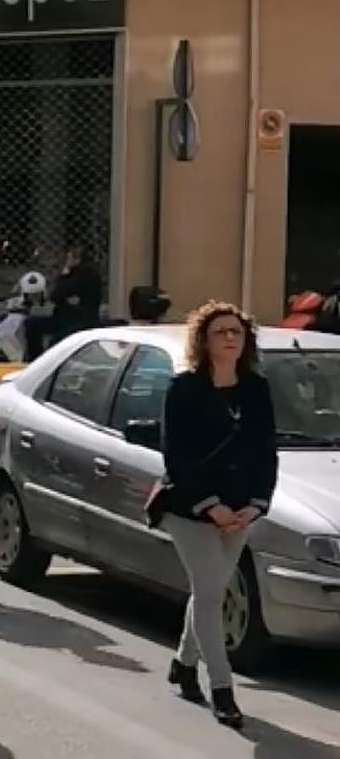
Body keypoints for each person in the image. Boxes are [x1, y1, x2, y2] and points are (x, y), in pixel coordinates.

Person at [161, 301, 277, 730]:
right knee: (211, 594)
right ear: (203, 341)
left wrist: (257, 504)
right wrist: (211, 505)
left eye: (236, 332)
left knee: (209, 590)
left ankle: (183, 664)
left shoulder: (256, 389)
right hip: (191, 509)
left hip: (241, 509)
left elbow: (266, 451)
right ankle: (222, 688)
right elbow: (177, 455)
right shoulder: (184, 389)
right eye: (220, 332)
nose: (230, 338)